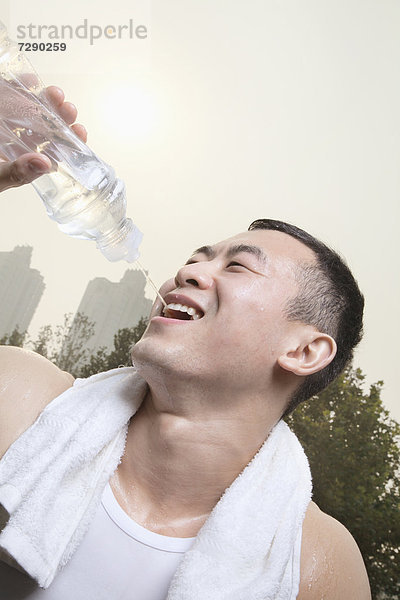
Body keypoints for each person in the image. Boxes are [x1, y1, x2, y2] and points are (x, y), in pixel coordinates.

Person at [0, 87, 371, 599]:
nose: (189, 270)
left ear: (304, 351)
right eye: (197, 257)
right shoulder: (19, 401)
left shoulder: (316, 563)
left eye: (237, 266)